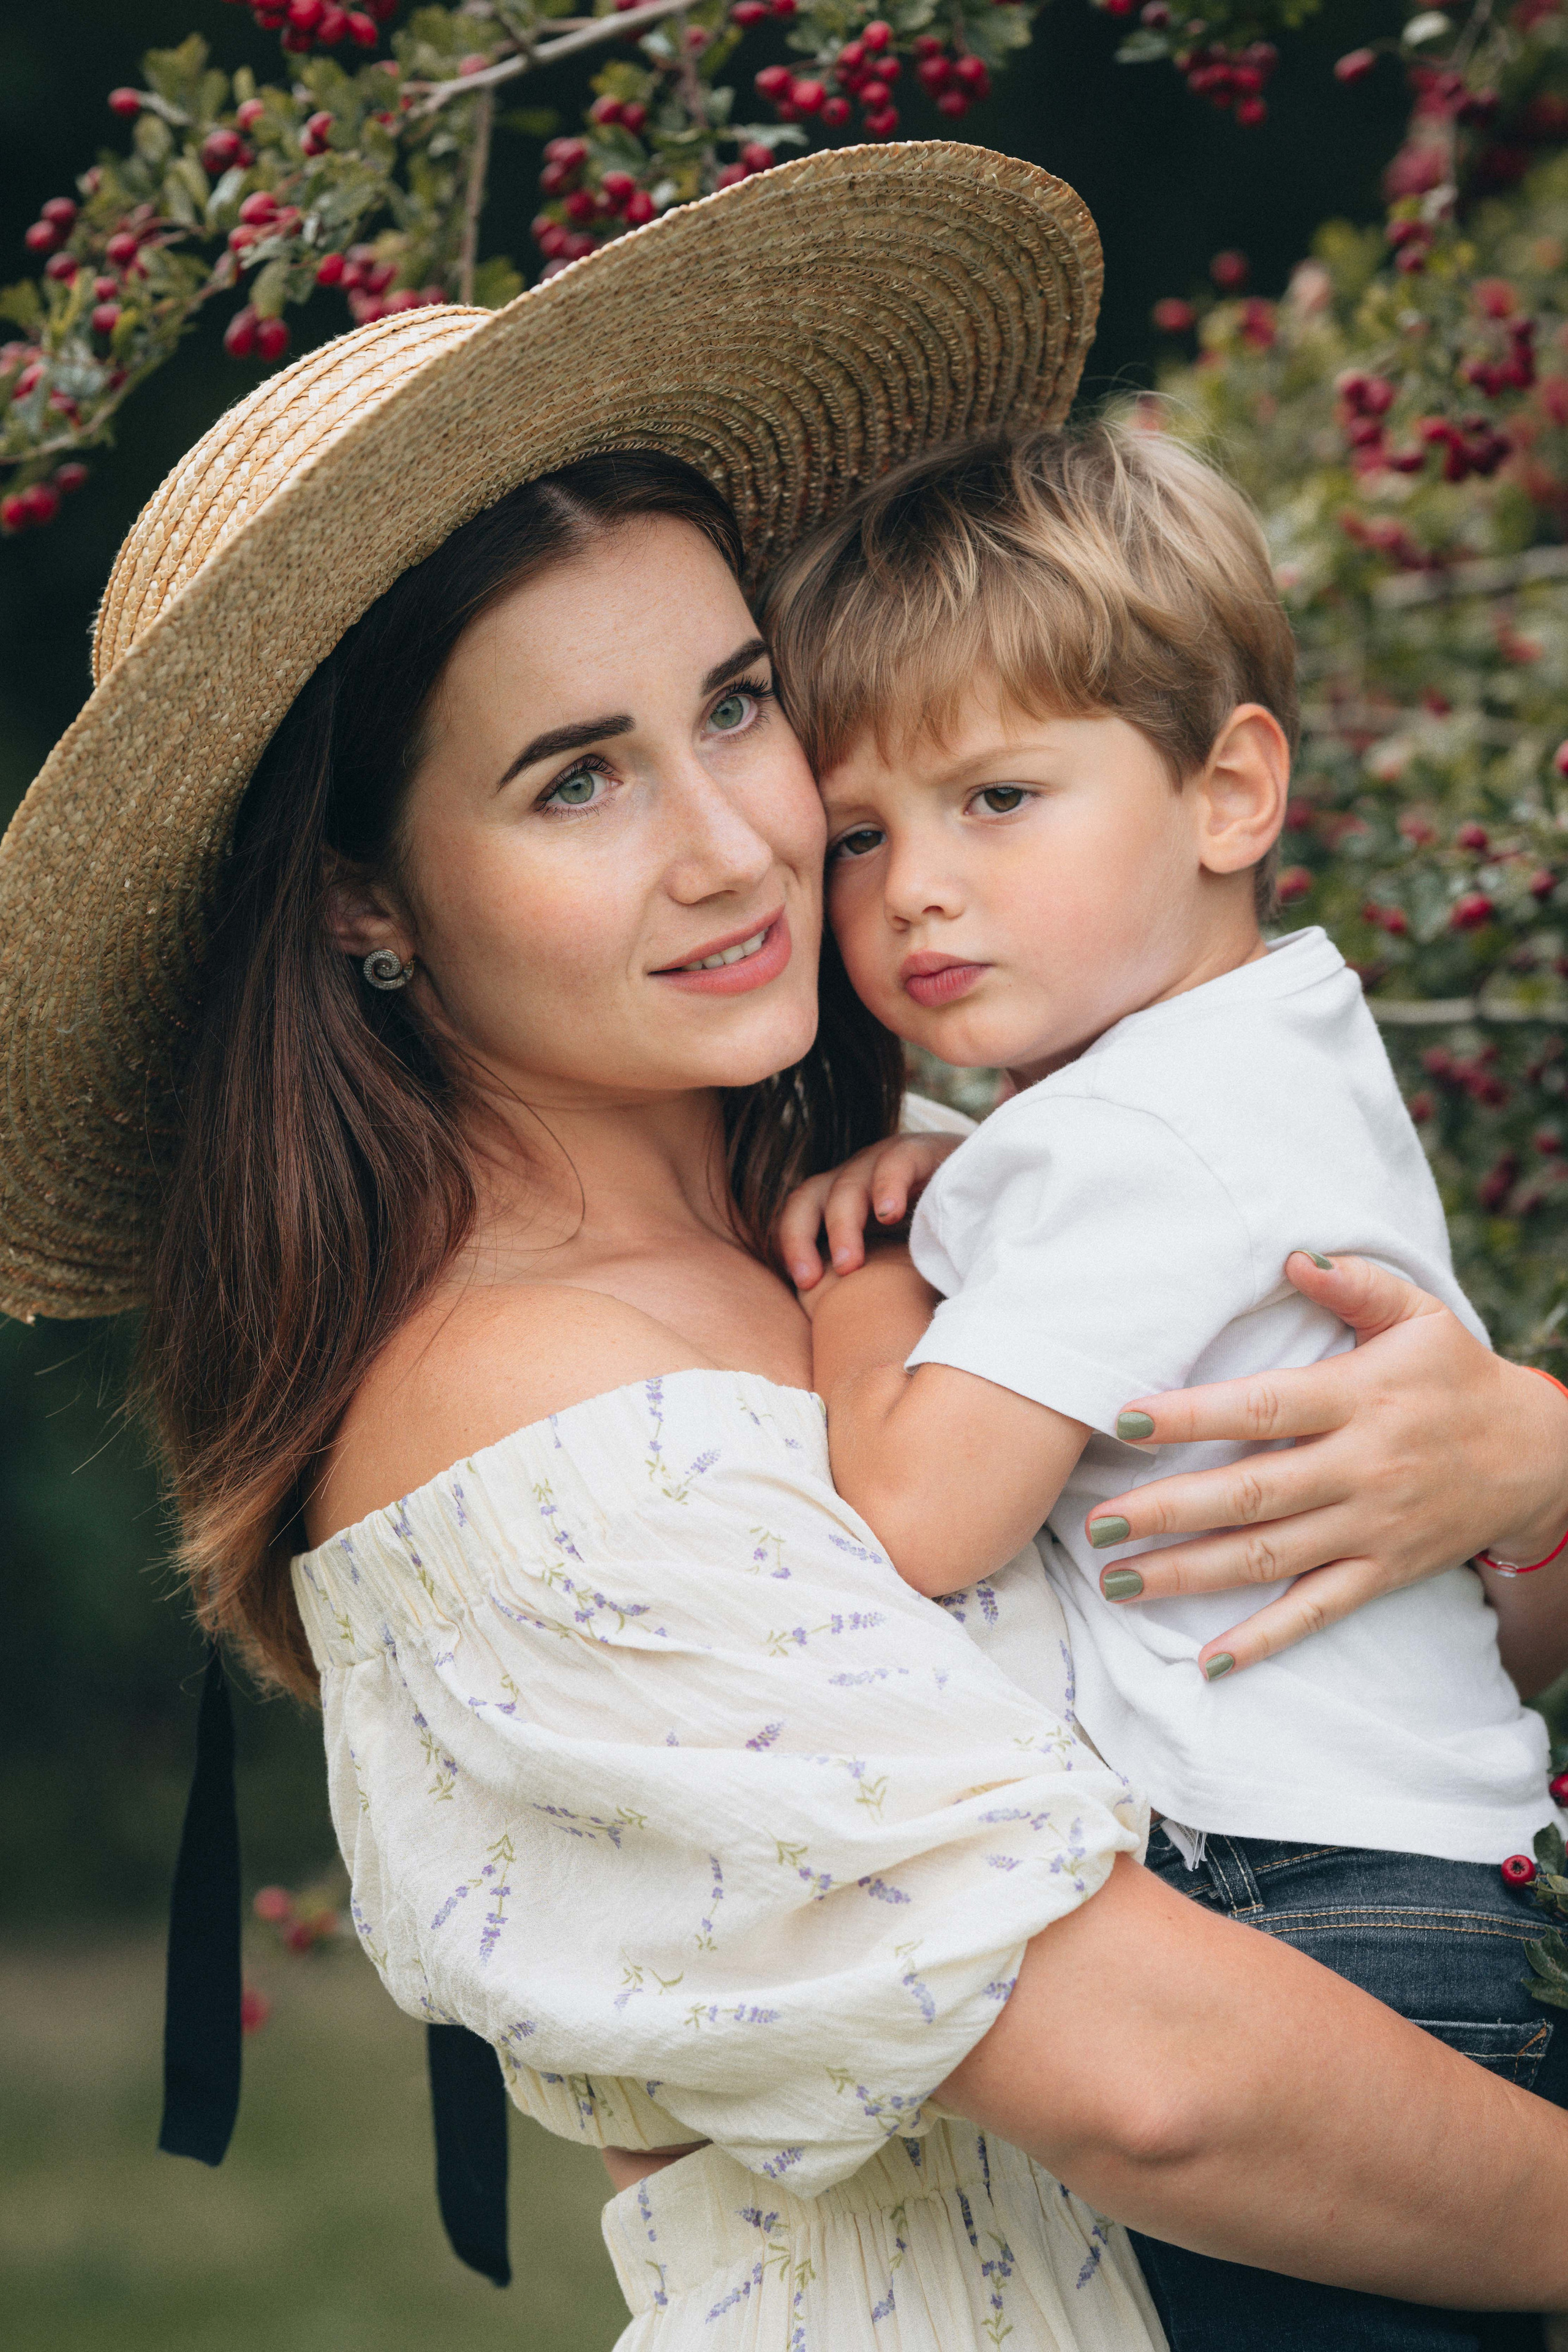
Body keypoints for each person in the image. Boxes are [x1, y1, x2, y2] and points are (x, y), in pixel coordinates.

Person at [4, 145, 1568, 2351]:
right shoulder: (534, 1440)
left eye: (738, 705)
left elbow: (1283, 1697)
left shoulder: (905, 1199)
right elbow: (1167, 2085)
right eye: (577, 779)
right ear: (363, 895)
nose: (745, 839)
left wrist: (1516, 1464)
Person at [767, 421, 1568, 2346]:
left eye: (999, 799)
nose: (915, 894)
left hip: (1306, 1914)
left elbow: (919, 1513)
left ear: (1230, 792)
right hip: (1410, 1893)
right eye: (862, 833)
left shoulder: (1152, 1129)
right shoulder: (1236, 1068)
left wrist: (857, 1274)